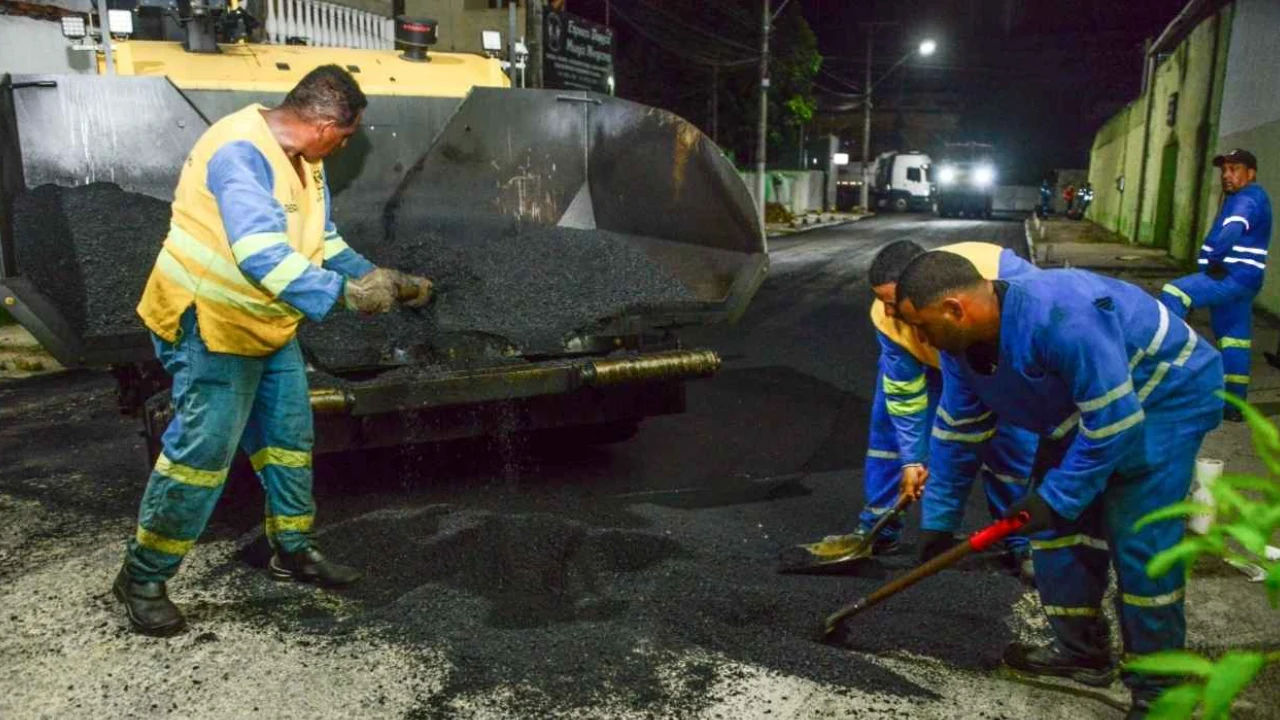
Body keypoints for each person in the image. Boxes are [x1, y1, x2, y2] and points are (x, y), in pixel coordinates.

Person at [113, 65, 434, 636]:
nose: (343, 147)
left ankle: (292, 550)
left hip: (266, 324)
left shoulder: (305, 162)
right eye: (346, 136)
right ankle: (142, 577)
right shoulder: (239, 153)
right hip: (210, 322)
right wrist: (347, 295)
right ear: (324, 125)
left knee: (289, 439)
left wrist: (377, 275)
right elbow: (260, 253)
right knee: (201, 455)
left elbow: (321, 239)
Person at [895, 251, 1222, 719]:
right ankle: (1081, 653)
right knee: (1052, 531)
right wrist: (939, 522)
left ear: (954, 309)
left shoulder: (1062, 315)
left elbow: (1116, 422)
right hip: (1082, 411)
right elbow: (957, 430)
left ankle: (1160, 688)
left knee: (1141, 543)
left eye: (920, 325)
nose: (917, 339)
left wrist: (1060, 494)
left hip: (1166, 396)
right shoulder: (959, 351)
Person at [832, 240, 1038, 581]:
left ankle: (1018, 539)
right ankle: (878, 528)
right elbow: (904, 394)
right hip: (929, 364)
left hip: (987, 358)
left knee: (1011, 447)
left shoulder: (1006, 276)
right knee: (889, 437)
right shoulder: (887, 319)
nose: (887, 313)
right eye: (881, 301)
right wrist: (913, 459)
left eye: (893, 302)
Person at [1159, 148, 1272, 420]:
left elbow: (1232, 230)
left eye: (1234, 169)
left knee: (1174, 292)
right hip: (1245, 282)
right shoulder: (1249, 197)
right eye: (1224, 170)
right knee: (1235, 340)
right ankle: (1234, 407)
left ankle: (1169, 367)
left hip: (1229, 277)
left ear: (1251, 173)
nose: (1227, 175)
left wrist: (1213, 262)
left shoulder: (1247, 198)